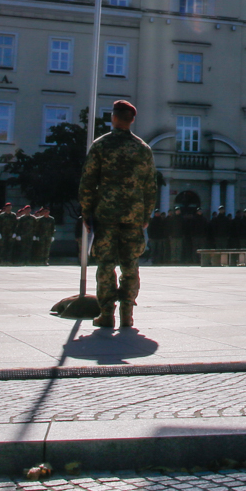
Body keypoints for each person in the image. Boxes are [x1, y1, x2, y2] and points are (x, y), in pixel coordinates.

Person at [79, 100, 157, 329]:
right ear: (132, 120)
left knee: (105, 264)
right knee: (130, 264)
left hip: (106, 215)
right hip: (133, 217)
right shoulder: (143, 149)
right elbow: (150, 185)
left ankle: (106, 314)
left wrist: (86, 211)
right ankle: (127, 314)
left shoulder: (101, 145)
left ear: (113, 118)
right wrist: (146, 216)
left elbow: (88, 181)